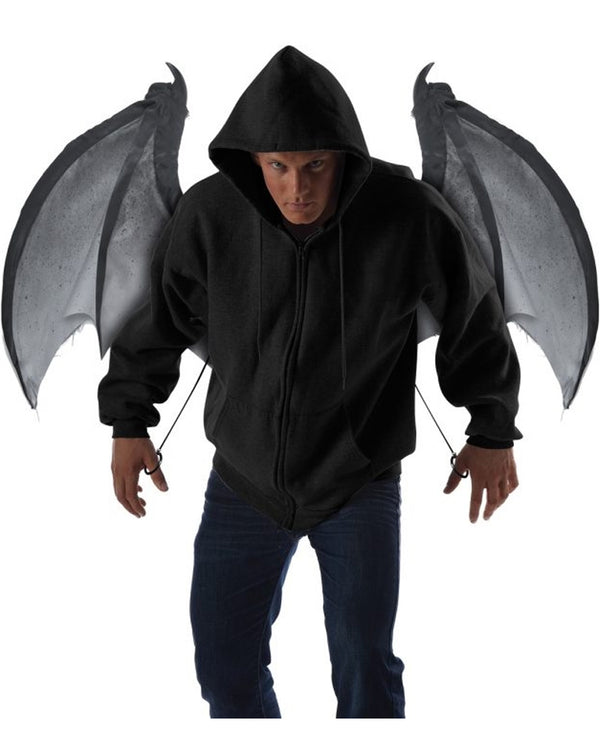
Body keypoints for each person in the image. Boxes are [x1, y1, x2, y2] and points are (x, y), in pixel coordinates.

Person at [98, 46, 521, 718]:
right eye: (279, 167)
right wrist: (129, 421)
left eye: (316, 165)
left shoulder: (406, 211)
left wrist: (492, 429)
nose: (298, 187)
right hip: (243, 478)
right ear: (253, 161)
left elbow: (475, 314)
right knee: (224, 666)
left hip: (359, 476)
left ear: (344, 155)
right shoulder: (210, 214)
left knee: (364, 666)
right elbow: (160, 320)